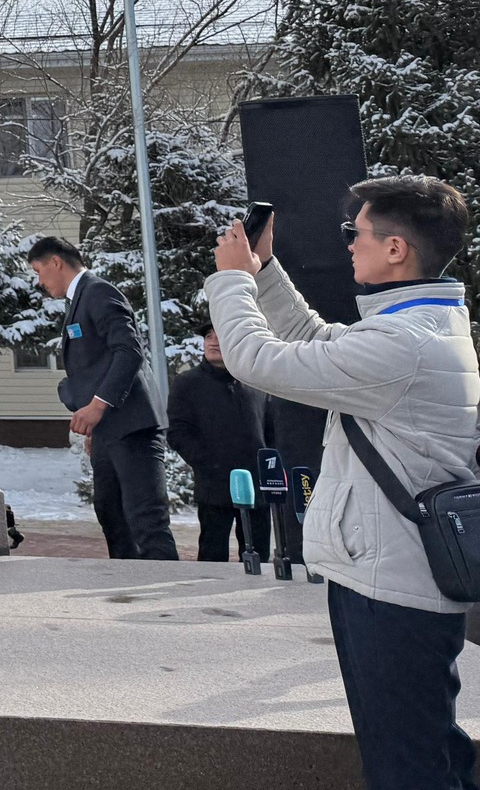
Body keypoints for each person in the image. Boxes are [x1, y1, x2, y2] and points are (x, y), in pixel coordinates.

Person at [209, 177, 480, 790]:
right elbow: (313, 341)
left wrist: (230, 279)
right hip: (390, 577)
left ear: (395, 250)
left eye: (354, 233)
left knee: (406, 766)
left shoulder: (406, 344)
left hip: (393, 591)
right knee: (427, 745)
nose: (347, 245)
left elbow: (258, 361)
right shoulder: (416, 328)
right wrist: (267, 271)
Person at [30, 235, 177, 562]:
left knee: (146, 519)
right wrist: (98, 426)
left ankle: (168, 596)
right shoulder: (78, 300)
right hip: (109, 430)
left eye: (39, 272)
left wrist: (98, 406)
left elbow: (129, 351)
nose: (39, 282)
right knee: (111, 513)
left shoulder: (98, 291)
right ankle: (124, 584)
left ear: (57, 262)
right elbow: (96, 365)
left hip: (132, 426)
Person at [167, 324, 271, 563]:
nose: (213, 342)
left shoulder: (256, 383)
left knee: (259, 556)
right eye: (208, 336)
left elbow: (271, 429)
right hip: (214, 485)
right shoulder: (188, 383)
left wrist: (270, 466)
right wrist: (207, 463)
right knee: (213, 555)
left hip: (256, 487)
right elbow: (178, 432)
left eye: (221, 336)